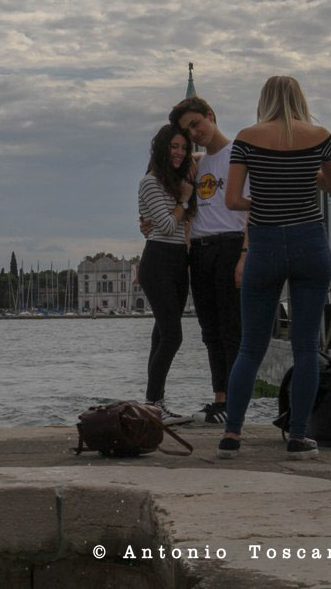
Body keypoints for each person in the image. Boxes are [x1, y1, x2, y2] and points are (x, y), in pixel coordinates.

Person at [218, 76, 331, 460]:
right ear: (300, 99)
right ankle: (299, 437)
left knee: (250, 347)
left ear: (264, 100)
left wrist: (266, 194)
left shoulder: (245, 137)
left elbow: (233, 200)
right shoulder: (320, 134)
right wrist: (307, 179)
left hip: (265, 246)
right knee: (305, 347)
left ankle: (232, 436)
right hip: (310, 243)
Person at [168, 96, 249, 424]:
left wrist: (246, 253)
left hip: (231, 245)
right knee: (209, 328)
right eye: (188, 130)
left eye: (196, 124)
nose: (195, 133)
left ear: (211, 116)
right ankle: (219, 399)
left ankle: (235, 398)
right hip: (200, 250)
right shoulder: (196, 164)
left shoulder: (239, 156)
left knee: (232, 326)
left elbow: (253, 207)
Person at [137, 124, 196, 425]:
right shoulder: (151, 182)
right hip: (158, 259)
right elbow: (168, 226)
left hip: (177, 261)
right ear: (162, 148)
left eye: (184, 148)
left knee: (160, 335)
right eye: (174, 146)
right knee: (172, 336)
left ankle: (155, 404)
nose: (180, 153)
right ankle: (152, 403)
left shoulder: (176, 181)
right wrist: (183, 200)